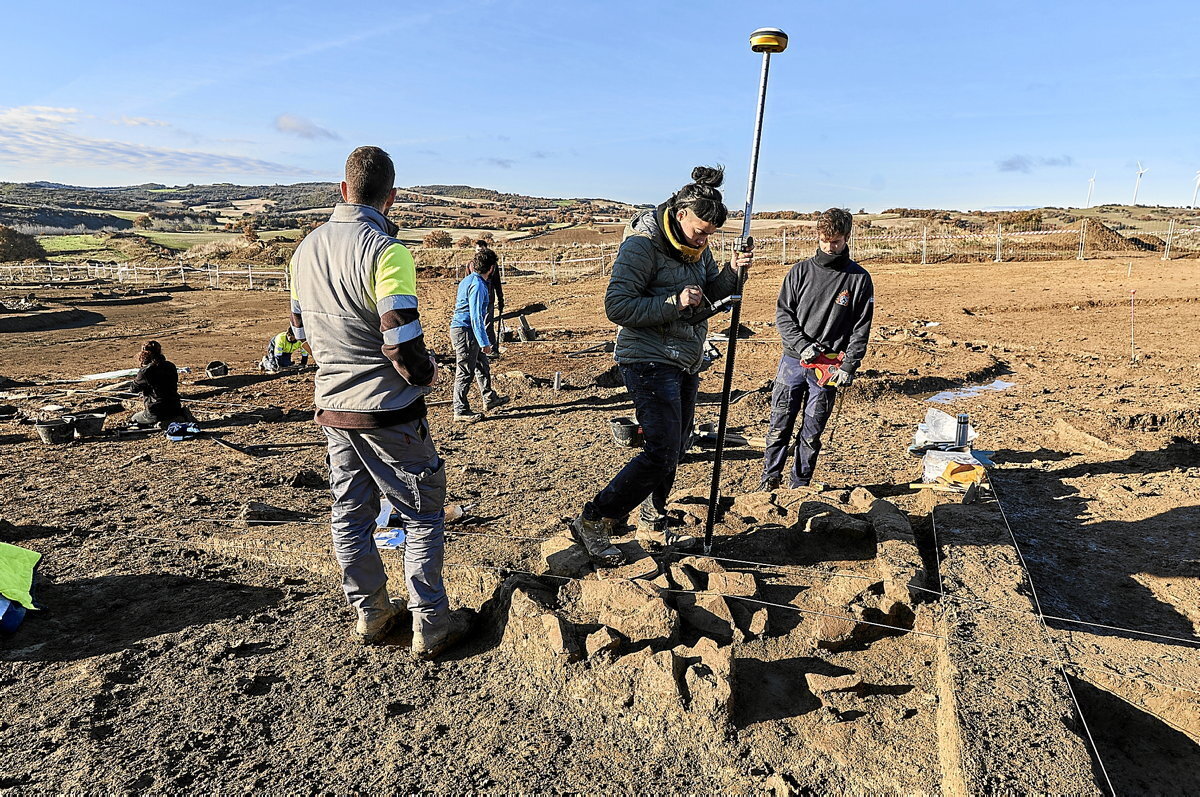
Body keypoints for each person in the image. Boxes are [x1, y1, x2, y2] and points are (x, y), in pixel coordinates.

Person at [288, 145, 472, 656]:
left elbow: (300, 332)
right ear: (391, 197)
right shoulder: (388, 253)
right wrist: (427, 374)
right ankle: (431, 622)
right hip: (390, 411)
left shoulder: (302, 253)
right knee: (420, 514)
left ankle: (371, 613)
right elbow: (399, 340)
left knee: (350, 512)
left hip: (334, 409)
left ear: (343, 190)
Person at [571, 166, 753, 564]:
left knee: (677, 446)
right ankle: (594, 519)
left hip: (685, 358)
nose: (704, 240)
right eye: (700, 231)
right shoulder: (642, 246)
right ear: (679, 213)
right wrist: (673, 302)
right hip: (647, 358)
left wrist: (733, 273)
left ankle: (652, 521)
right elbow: (616, 306)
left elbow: (707, 297)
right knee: (661, 449)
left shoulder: (697, 250)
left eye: (710, 235)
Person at [761, 207, 874, 490]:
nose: (829, 246)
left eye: (835, 241)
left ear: (847, 237)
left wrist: (849, 365)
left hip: (829, 367)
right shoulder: (799, 272)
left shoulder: (858, 279)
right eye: (824, 240)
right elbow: (783, 315)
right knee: (779, 427)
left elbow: (861, 327)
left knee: (811, 433)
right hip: (792, 363)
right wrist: (802, 346)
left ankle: (799, 486)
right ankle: (769, 480)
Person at [449, 249, 508, 422]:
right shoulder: (479, 286)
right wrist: (485, 342)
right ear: (491, 268)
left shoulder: (467, 280)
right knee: (465, 371)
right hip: (466, 330)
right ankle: (460, 410)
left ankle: (489, 398)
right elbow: (476, 317)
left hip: (465, 329)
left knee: (482, 364)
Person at [128, 340, 192, 428]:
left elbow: (133, 389)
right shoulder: (171, 366)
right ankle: (176, 418)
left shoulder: (145, 372)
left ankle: (159, 422)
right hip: (175, 407)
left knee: (134, 417)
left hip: (155, 412)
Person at [475, 239, 504, 357]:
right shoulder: (472, 265)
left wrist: (500, 299)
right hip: (476, 299)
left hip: (489, 299)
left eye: (481, 250)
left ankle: (492, 348)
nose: (479, 253)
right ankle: (478, 347)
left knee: (487, 324)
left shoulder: (493, 266)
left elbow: (497, 282)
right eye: (477, 250)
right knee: (476, 322)